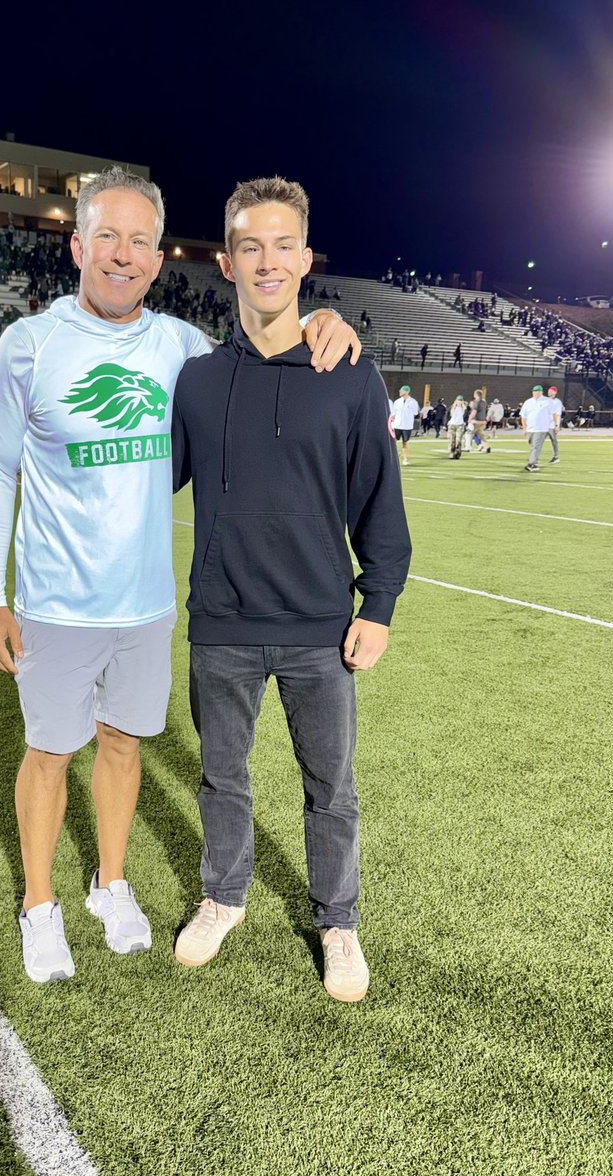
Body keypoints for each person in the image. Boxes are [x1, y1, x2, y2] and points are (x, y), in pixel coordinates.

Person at [0, 167, 360, 986]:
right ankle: (39, 906)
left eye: (139, 241)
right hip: (53, 605)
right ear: (77, 245)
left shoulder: (180, 348)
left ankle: (110, 884)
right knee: (48, 753)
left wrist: (324, 317)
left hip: (146, 608)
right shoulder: (30, 345)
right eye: (106, 236)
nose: (122, 254)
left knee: (122, 746)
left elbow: (263, 346)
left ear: (158, 257)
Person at [171, 177, 410, 1002]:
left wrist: (377, 607)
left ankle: (337, 921)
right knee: (222, 778)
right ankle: (222, 897)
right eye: (249, 245)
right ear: (227, 261)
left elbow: (382, 502)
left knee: (330, 789)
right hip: (223, 627)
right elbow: (145, 485)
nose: (266, 261)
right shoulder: (196, 380)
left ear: (305, 259)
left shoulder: (349, 372)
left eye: (282, 245)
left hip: (319, 627)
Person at [519, 384, 556, 471]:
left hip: (541, 428)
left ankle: (532, 464)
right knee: (532, 445)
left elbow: (554, 413)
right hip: (530, 428)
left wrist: (554, 425)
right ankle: (535, 460)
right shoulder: (528, 402)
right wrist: (524, 428)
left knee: (536, 446)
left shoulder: (547, 401)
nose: (535, 393)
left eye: (537, 391)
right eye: (534, 391)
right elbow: (523, 416)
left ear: (541, 392)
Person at [389, 383, 420, 466]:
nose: (400, 391)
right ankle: (393, 457)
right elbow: (393, 414)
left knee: (405, 442)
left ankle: (405, 459)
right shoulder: (397, 402)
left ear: (406, 392)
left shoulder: (413, 402)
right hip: (397, 425)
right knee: (393, 442)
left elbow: (415, 412)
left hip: (407, 426)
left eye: (401, 390)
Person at [467, 388, 491, 453]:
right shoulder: (484, 402)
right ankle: (487, 447)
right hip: (482, 421)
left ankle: (467, 447)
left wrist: (469, 419)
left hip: (476, 420)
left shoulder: (476, 402)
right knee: (481, 435)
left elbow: (474, 411)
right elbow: (486, 411)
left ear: (475, 394)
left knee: (469, 434)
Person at [545, 385, 563, 464]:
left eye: (551, 391)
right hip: (544, 424)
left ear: (555, 392)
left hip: (552, 425)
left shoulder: (557, 402)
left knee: (554, 441)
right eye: (549, 391)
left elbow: (557, 414)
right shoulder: (545, 400)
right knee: (537, 440)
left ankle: (555, 457)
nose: (549, 392)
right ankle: (534, 457)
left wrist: (557, 425)